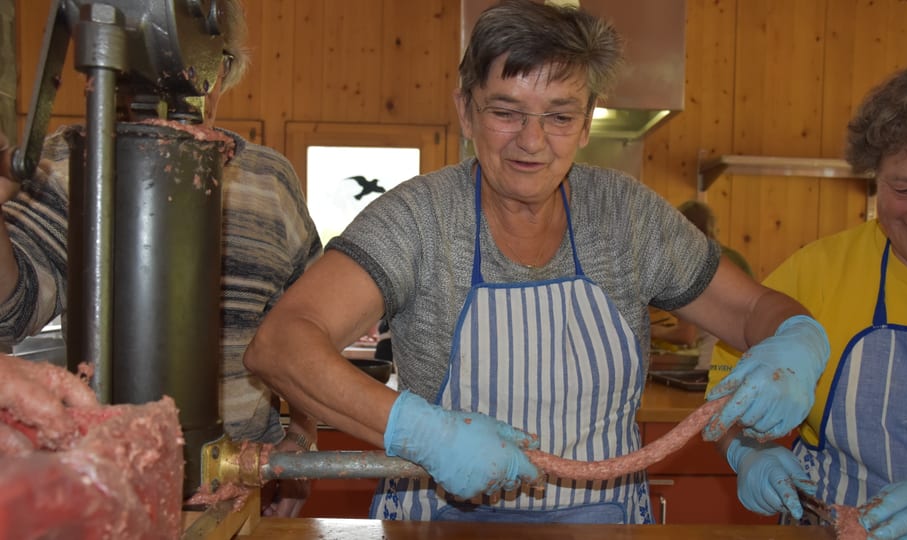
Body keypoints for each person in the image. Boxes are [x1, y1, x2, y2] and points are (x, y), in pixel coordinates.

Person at [243, 0, 829, 524]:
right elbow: (281, 346)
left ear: (586, 121)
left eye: (559, 115)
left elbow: (755, 310)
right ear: (466, 112)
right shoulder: (420, 220)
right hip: (437, 522)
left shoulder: (627, 218)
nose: (531, 141)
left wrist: (797, 342)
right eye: (506, 111)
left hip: (604, 522)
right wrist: (427, 435)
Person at [0, 0, 322, 518]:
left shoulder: (271, 181)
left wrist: (300, 437)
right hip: (108, 484)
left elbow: (306, 329)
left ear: (223, 69)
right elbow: (12, 309)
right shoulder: (65, 162)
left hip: (241, 483)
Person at [707, 51, 907, 539]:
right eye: (906, 188)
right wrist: (747, 451)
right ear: (873, 175)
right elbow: (723, 392)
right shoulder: (817, 270)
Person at [650, 200, 753, 369]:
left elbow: (686, 335)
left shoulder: (694, 265)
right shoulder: (735, 260)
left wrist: (651, 331)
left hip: (715, 364)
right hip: (748, 364)